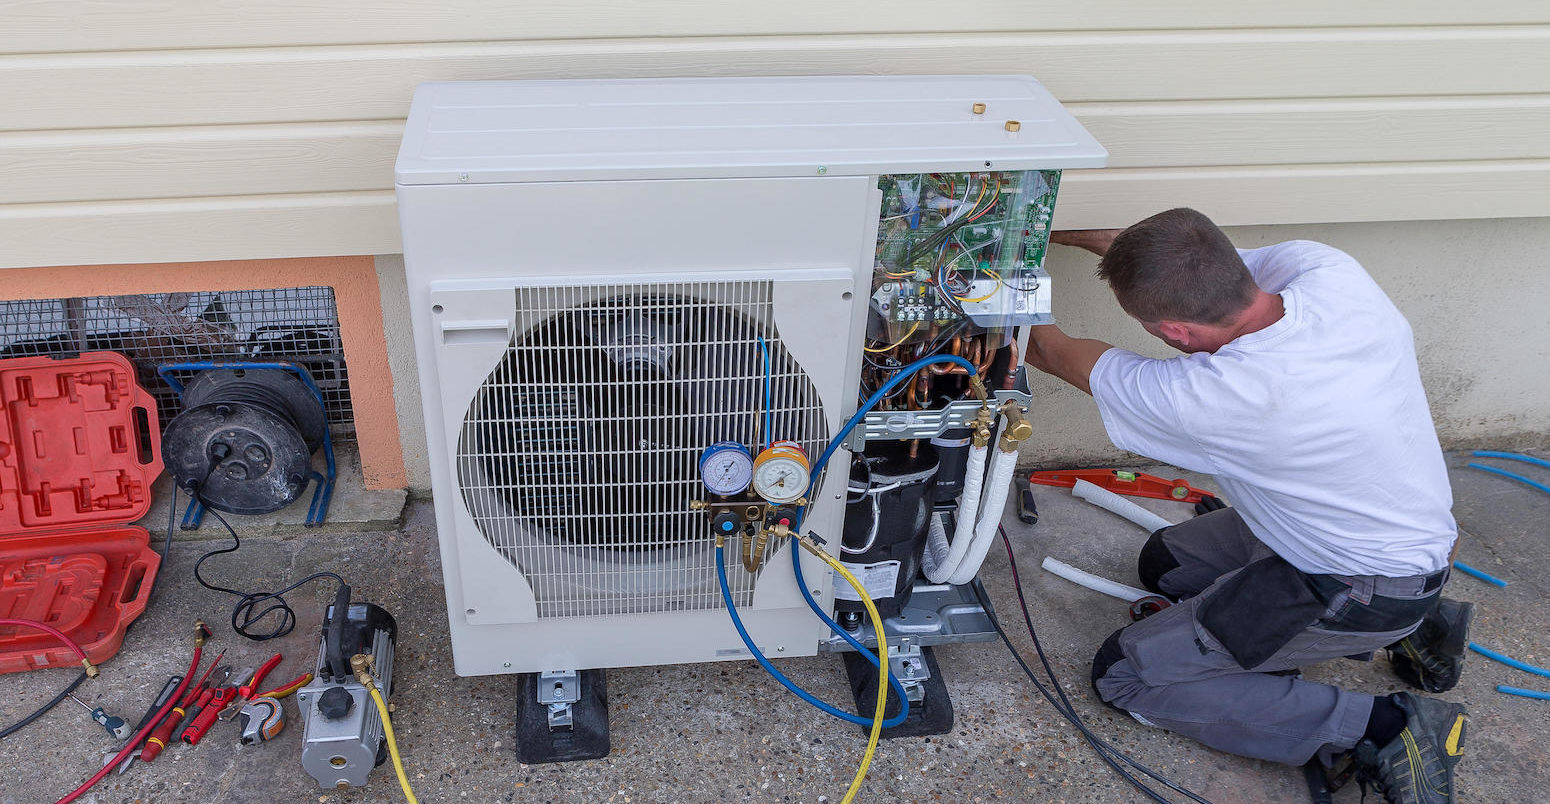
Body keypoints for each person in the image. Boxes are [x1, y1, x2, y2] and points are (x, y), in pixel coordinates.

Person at [1023, 209, 1472, 804]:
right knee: (1166, 564)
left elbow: (1050, 352)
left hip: (1354, 581)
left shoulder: (1218, 397)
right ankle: (1422, 625)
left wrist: (987, 278)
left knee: (1128, 674)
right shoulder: (1330, 274)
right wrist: (1026, 230)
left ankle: (1386, 729)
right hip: (1388, 534)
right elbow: (1140, 248)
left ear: (1175, 332)